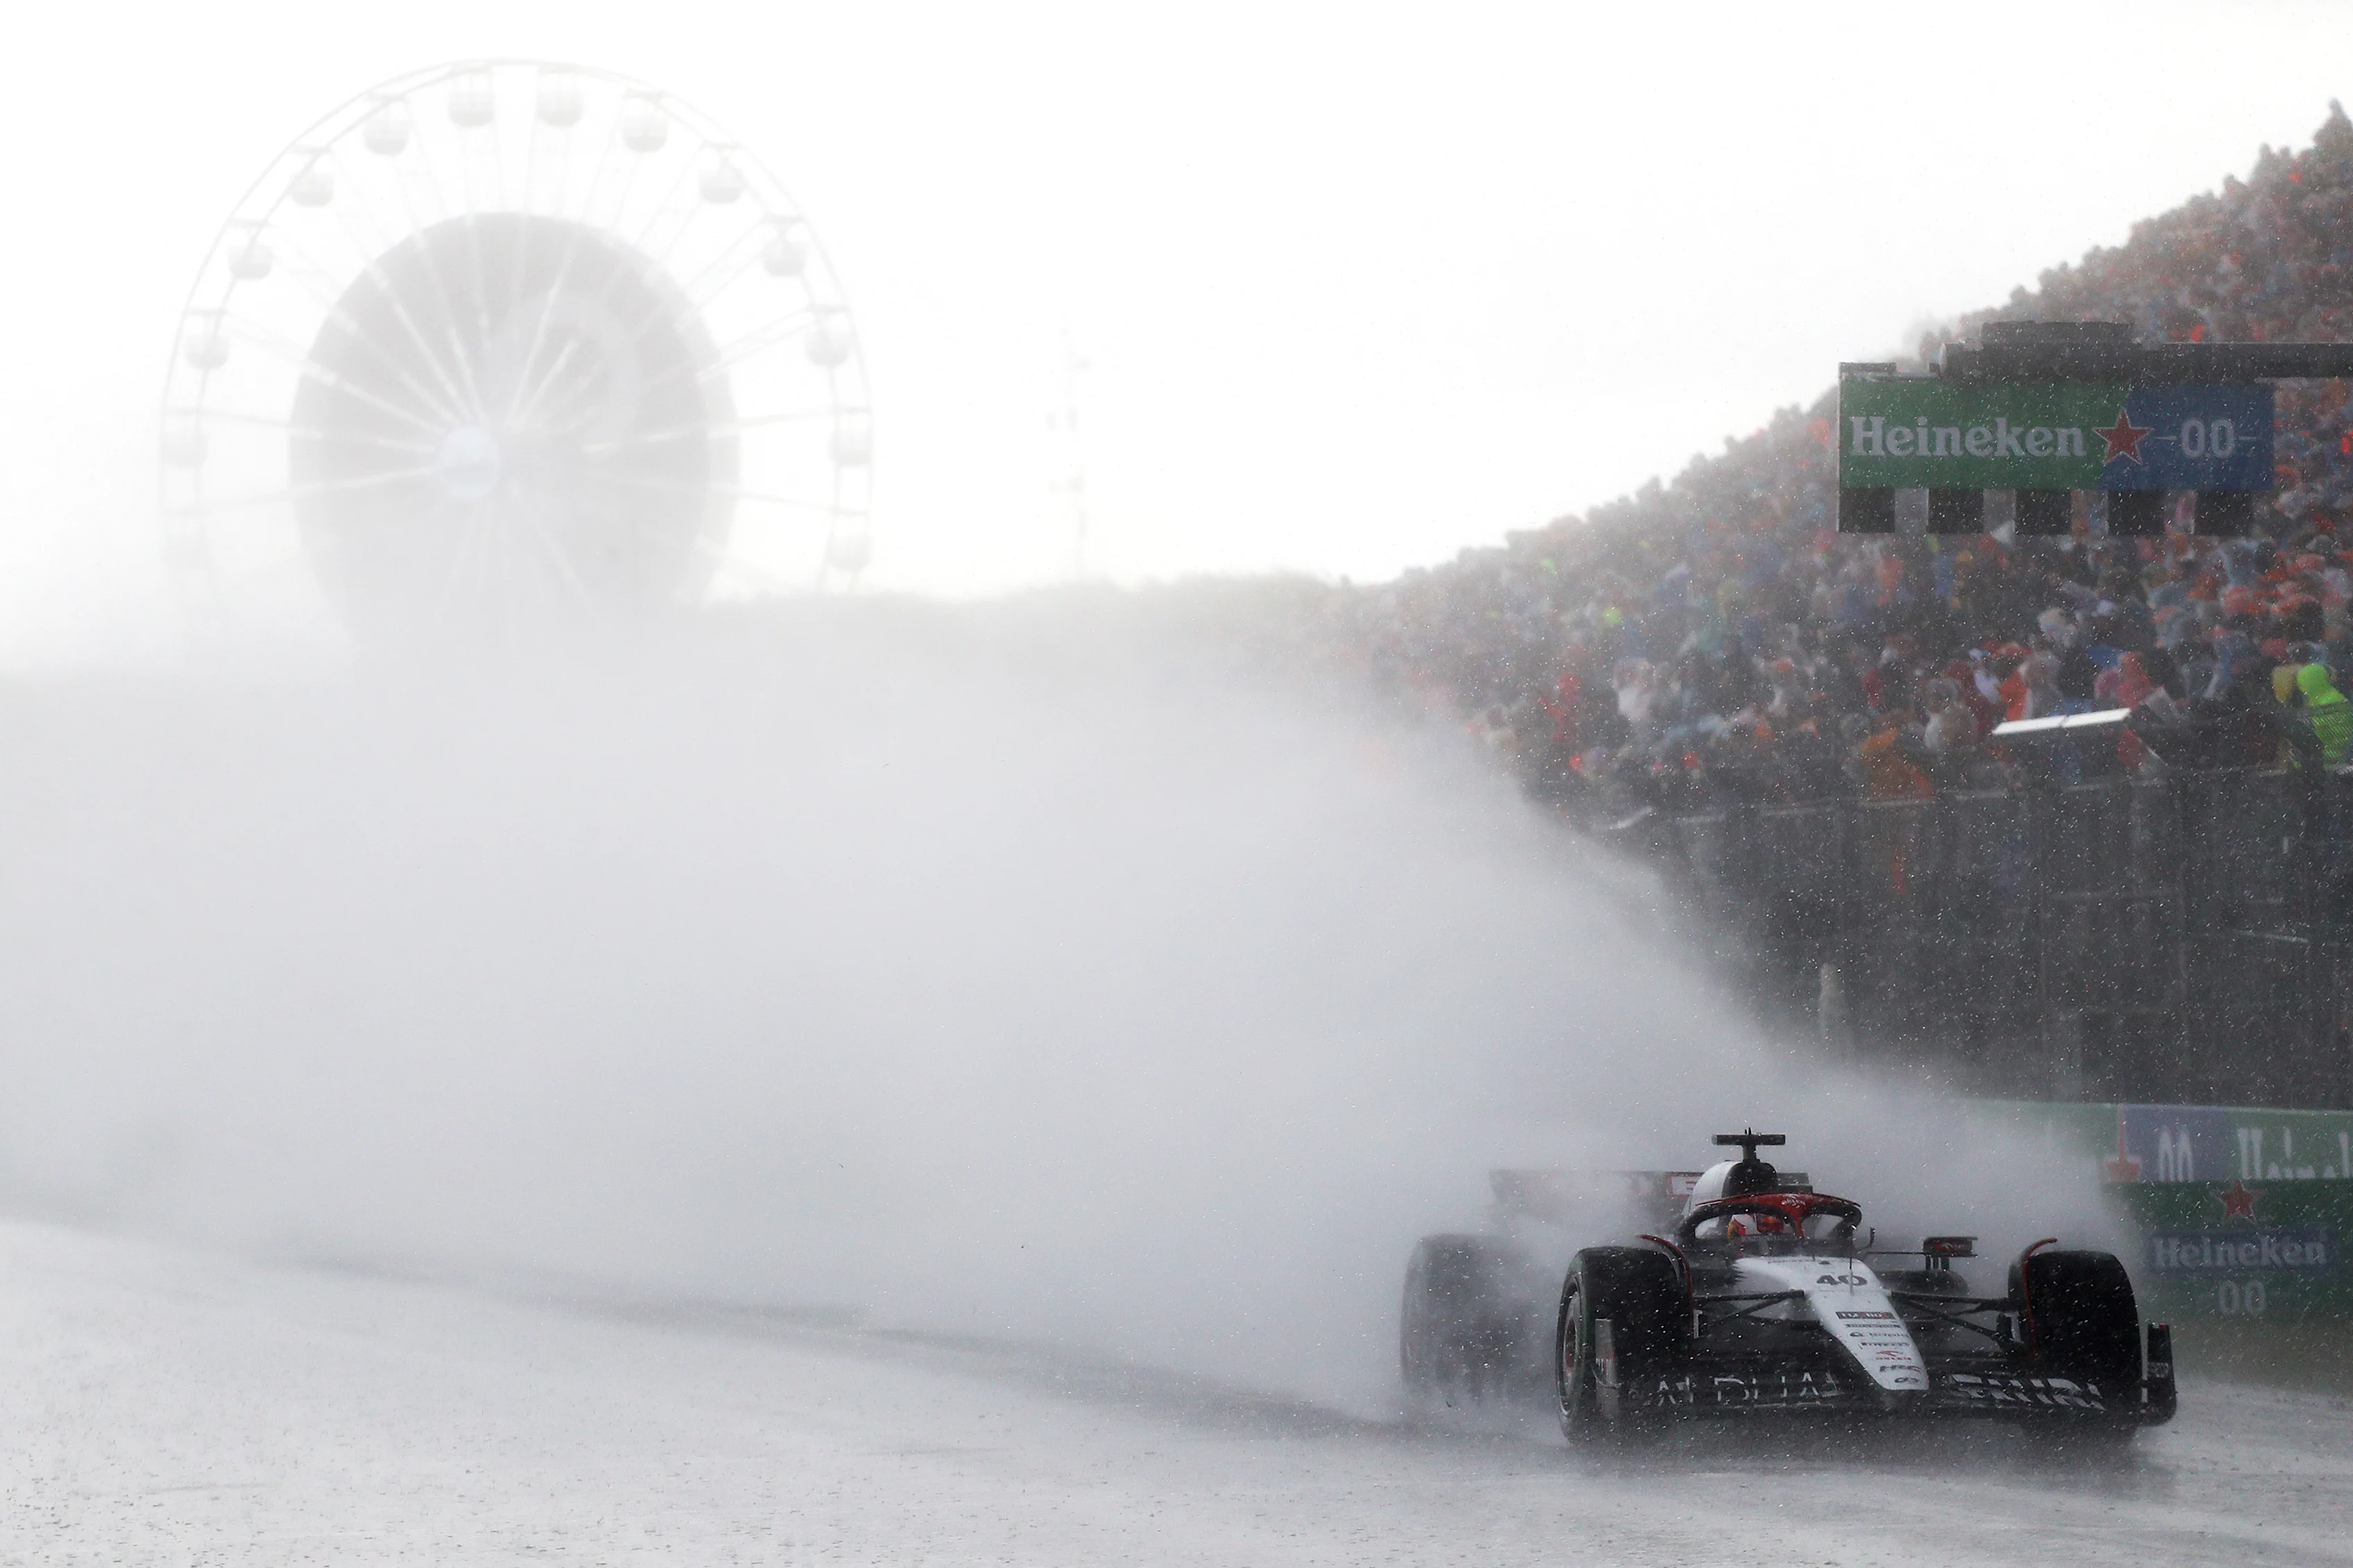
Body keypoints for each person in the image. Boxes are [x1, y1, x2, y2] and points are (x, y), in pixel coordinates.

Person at [2300, 660, 2353, 764]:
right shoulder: (2318, 698)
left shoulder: (2330, 702)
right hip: (2327, 755)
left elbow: (2342, 737)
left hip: (2335, 758)